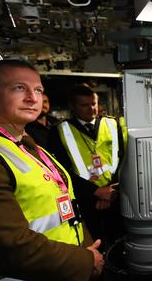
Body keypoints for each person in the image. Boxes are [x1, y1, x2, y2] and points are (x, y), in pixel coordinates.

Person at [0, 59, 103, 280]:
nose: (32, 98)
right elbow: (8, 245)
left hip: (62, 268)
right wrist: (84, 260)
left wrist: (86, 248)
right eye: (19, 88)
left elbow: (65, 206)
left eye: (38, 90)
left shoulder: (29, 146)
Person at [49, 84, 125, 249]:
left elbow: (123, 158)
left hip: (114, 194)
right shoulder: (59, 131)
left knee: (119, 240)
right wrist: (95, 192)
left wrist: (112, 190)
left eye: (94, 103)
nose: (91, 109)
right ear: (72, 107)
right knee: (95, 242)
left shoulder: (112, 124)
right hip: (85, 199)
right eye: (84, 105)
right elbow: (62, 170)